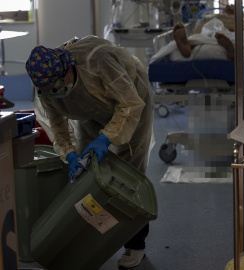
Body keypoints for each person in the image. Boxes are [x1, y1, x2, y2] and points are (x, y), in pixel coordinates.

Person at [25, 35, 154, 269]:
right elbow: (58, 127)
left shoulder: (98, 62)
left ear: (66, 72)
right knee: (86, 170)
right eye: (44, 91)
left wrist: (105, 138)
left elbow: (130, 105)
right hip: (90, 112)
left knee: (128, 174)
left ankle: (136, 245)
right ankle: (87, 237)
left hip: (131, 102)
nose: (50, 93)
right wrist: (70, 153)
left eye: (53, 87)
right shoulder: (47, 88)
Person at [172, 4, 244, 61]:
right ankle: (187, 44)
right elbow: (201, 27)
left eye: (233, 5)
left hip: (233, 29)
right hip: (212, 27)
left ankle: (232, 48)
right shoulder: (216, 16)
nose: (229, 5)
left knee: (239, 37)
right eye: (228, 5)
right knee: (202, 32)